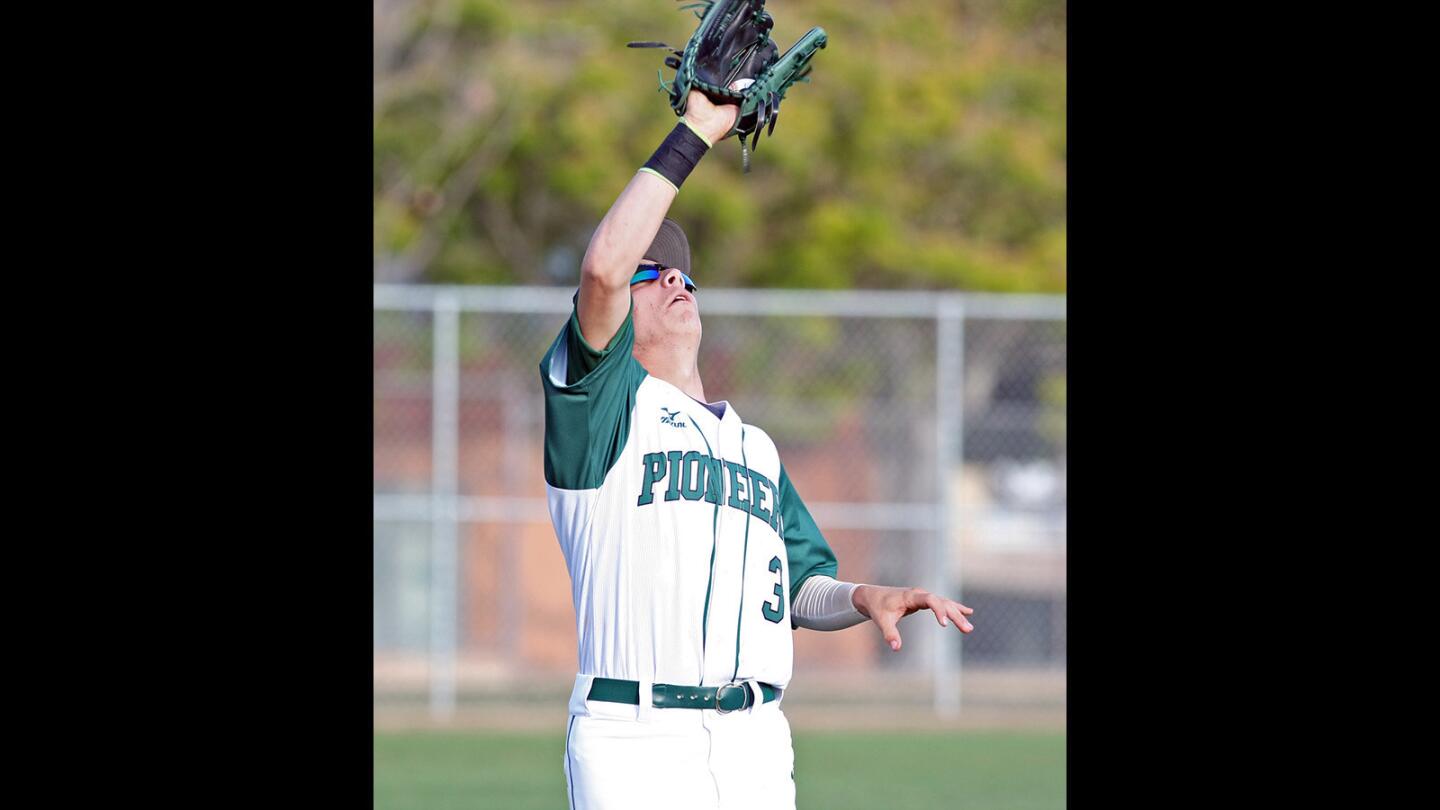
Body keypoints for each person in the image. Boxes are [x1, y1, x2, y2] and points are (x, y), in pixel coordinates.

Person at [539, 88, 974, 810]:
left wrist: (866, 597)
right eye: (653, 274)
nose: (673, 279)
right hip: (635, 737)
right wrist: (697, 132)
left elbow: (802, 589)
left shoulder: (755, 448)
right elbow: (601, 271)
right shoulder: (601, 409)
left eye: (682, 273)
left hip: (757, 743)